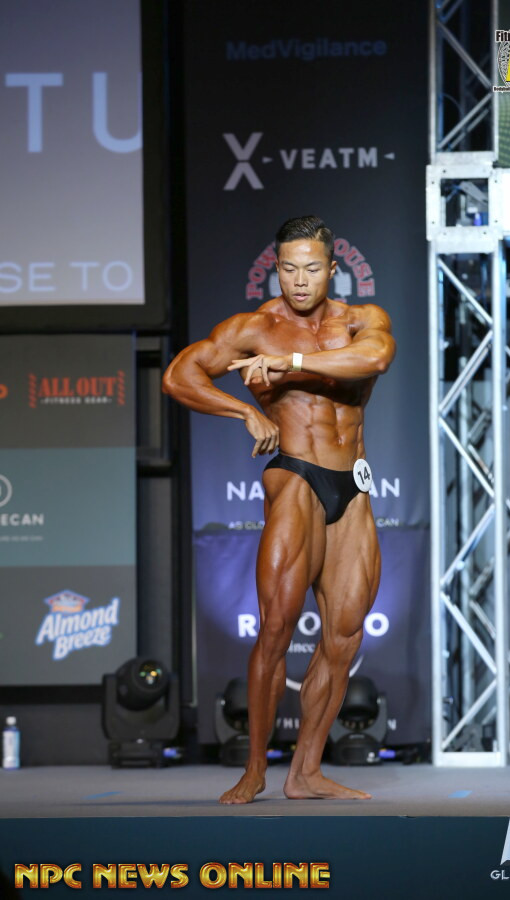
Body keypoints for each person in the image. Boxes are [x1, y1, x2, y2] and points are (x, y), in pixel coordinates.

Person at [163, 215, 395, 804]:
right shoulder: (255, 328)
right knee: (275, 629)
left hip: (353, 485)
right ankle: (255, 770)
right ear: (277, 269)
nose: (300, 280)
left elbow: (373, 360)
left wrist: (290, 365)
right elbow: (178, 375)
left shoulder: (361, 320)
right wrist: (243, 410)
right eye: (289, 269)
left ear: (332, 268)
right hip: (294, 474)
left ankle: (305, 771)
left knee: (344, 636)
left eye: (311, 268)